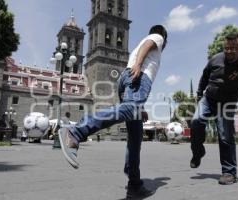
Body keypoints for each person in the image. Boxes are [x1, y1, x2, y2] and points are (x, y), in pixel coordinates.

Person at [59, 25, 167, 198]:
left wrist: (141, 108)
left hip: (128, 78)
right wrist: (139, 66)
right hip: (138, 76)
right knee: (130, 111)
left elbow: (133, 82)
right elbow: (148, 44)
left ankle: (134, 184)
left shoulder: (140, 48)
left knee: (135, 136)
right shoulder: (158, 37)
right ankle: (75, 132)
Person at [190, 33, 238, 185]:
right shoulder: (216, 58)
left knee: (225, 136)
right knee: (196, 121)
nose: (229, 51)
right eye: (226, 48)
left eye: (233, 48)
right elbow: (204, 77)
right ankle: (198, 152)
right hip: (208, 99)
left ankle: (229, 172)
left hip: (227, 104)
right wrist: (198, 94)